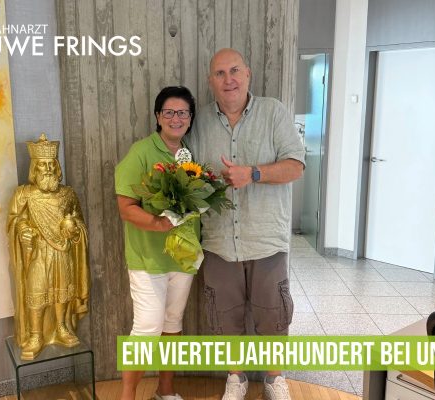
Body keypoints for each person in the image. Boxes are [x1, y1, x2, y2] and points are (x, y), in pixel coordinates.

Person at [187, 49, 305, 400]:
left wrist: (252, 174)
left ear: (248, 74)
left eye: (235, 71)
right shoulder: (200, 122)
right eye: (220, 73)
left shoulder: (273, 112)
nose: (229, 80)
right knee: (225, 317)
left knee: (274, 316)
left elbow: (296, 166)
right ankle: (235, 379)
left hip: (266, 239)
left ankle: (274, 380)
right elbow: (187, 172)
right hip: (219, 242)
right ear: (210, 81)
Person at [115, 86, 198, 400]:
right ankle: (127, 397)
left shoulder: (190, 155)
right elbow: (126, 208)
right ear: (158, 117)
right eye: (169, 112)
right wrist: (159, 223)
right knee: (147, 329)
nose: (176, 118)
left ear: (190, 118)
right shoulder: (141, 152)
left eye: (183, 113)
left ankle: (166, 391)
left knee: (173, 322)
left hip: (183, 256)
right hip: (148, 258)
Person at [7, 133, 90, 360]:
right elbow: (15, 221)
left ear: (57, 166)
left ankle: (61, 327)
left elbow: (80, 222)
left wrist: (73, 227)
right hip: (38, 251)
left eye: (51, 164)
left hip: (62, 251)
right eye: (42, 164)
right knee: (37, 290)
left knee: (62, 290)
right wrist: (22, 230)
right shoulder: (24, 195)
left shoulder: (68, 194)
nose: (48, 169)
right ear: (34, 167)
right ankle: (35, 335)